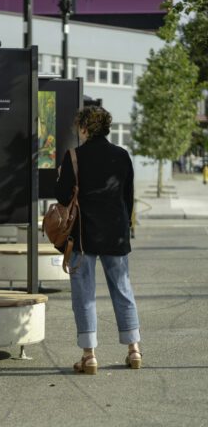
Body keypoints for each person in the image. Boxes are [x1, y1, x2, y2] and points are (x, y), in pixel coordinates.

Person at [55, 106, 142, 374]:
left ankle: (89, 355)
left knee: (84, 294)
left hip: (83, 235)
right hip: (115, 234)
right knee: (123, 289)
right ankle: (134, 349)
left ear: (84, 128)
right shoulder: (122, 155)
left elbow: (61, 197)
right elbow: (128, 196)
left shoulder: (74, 157)